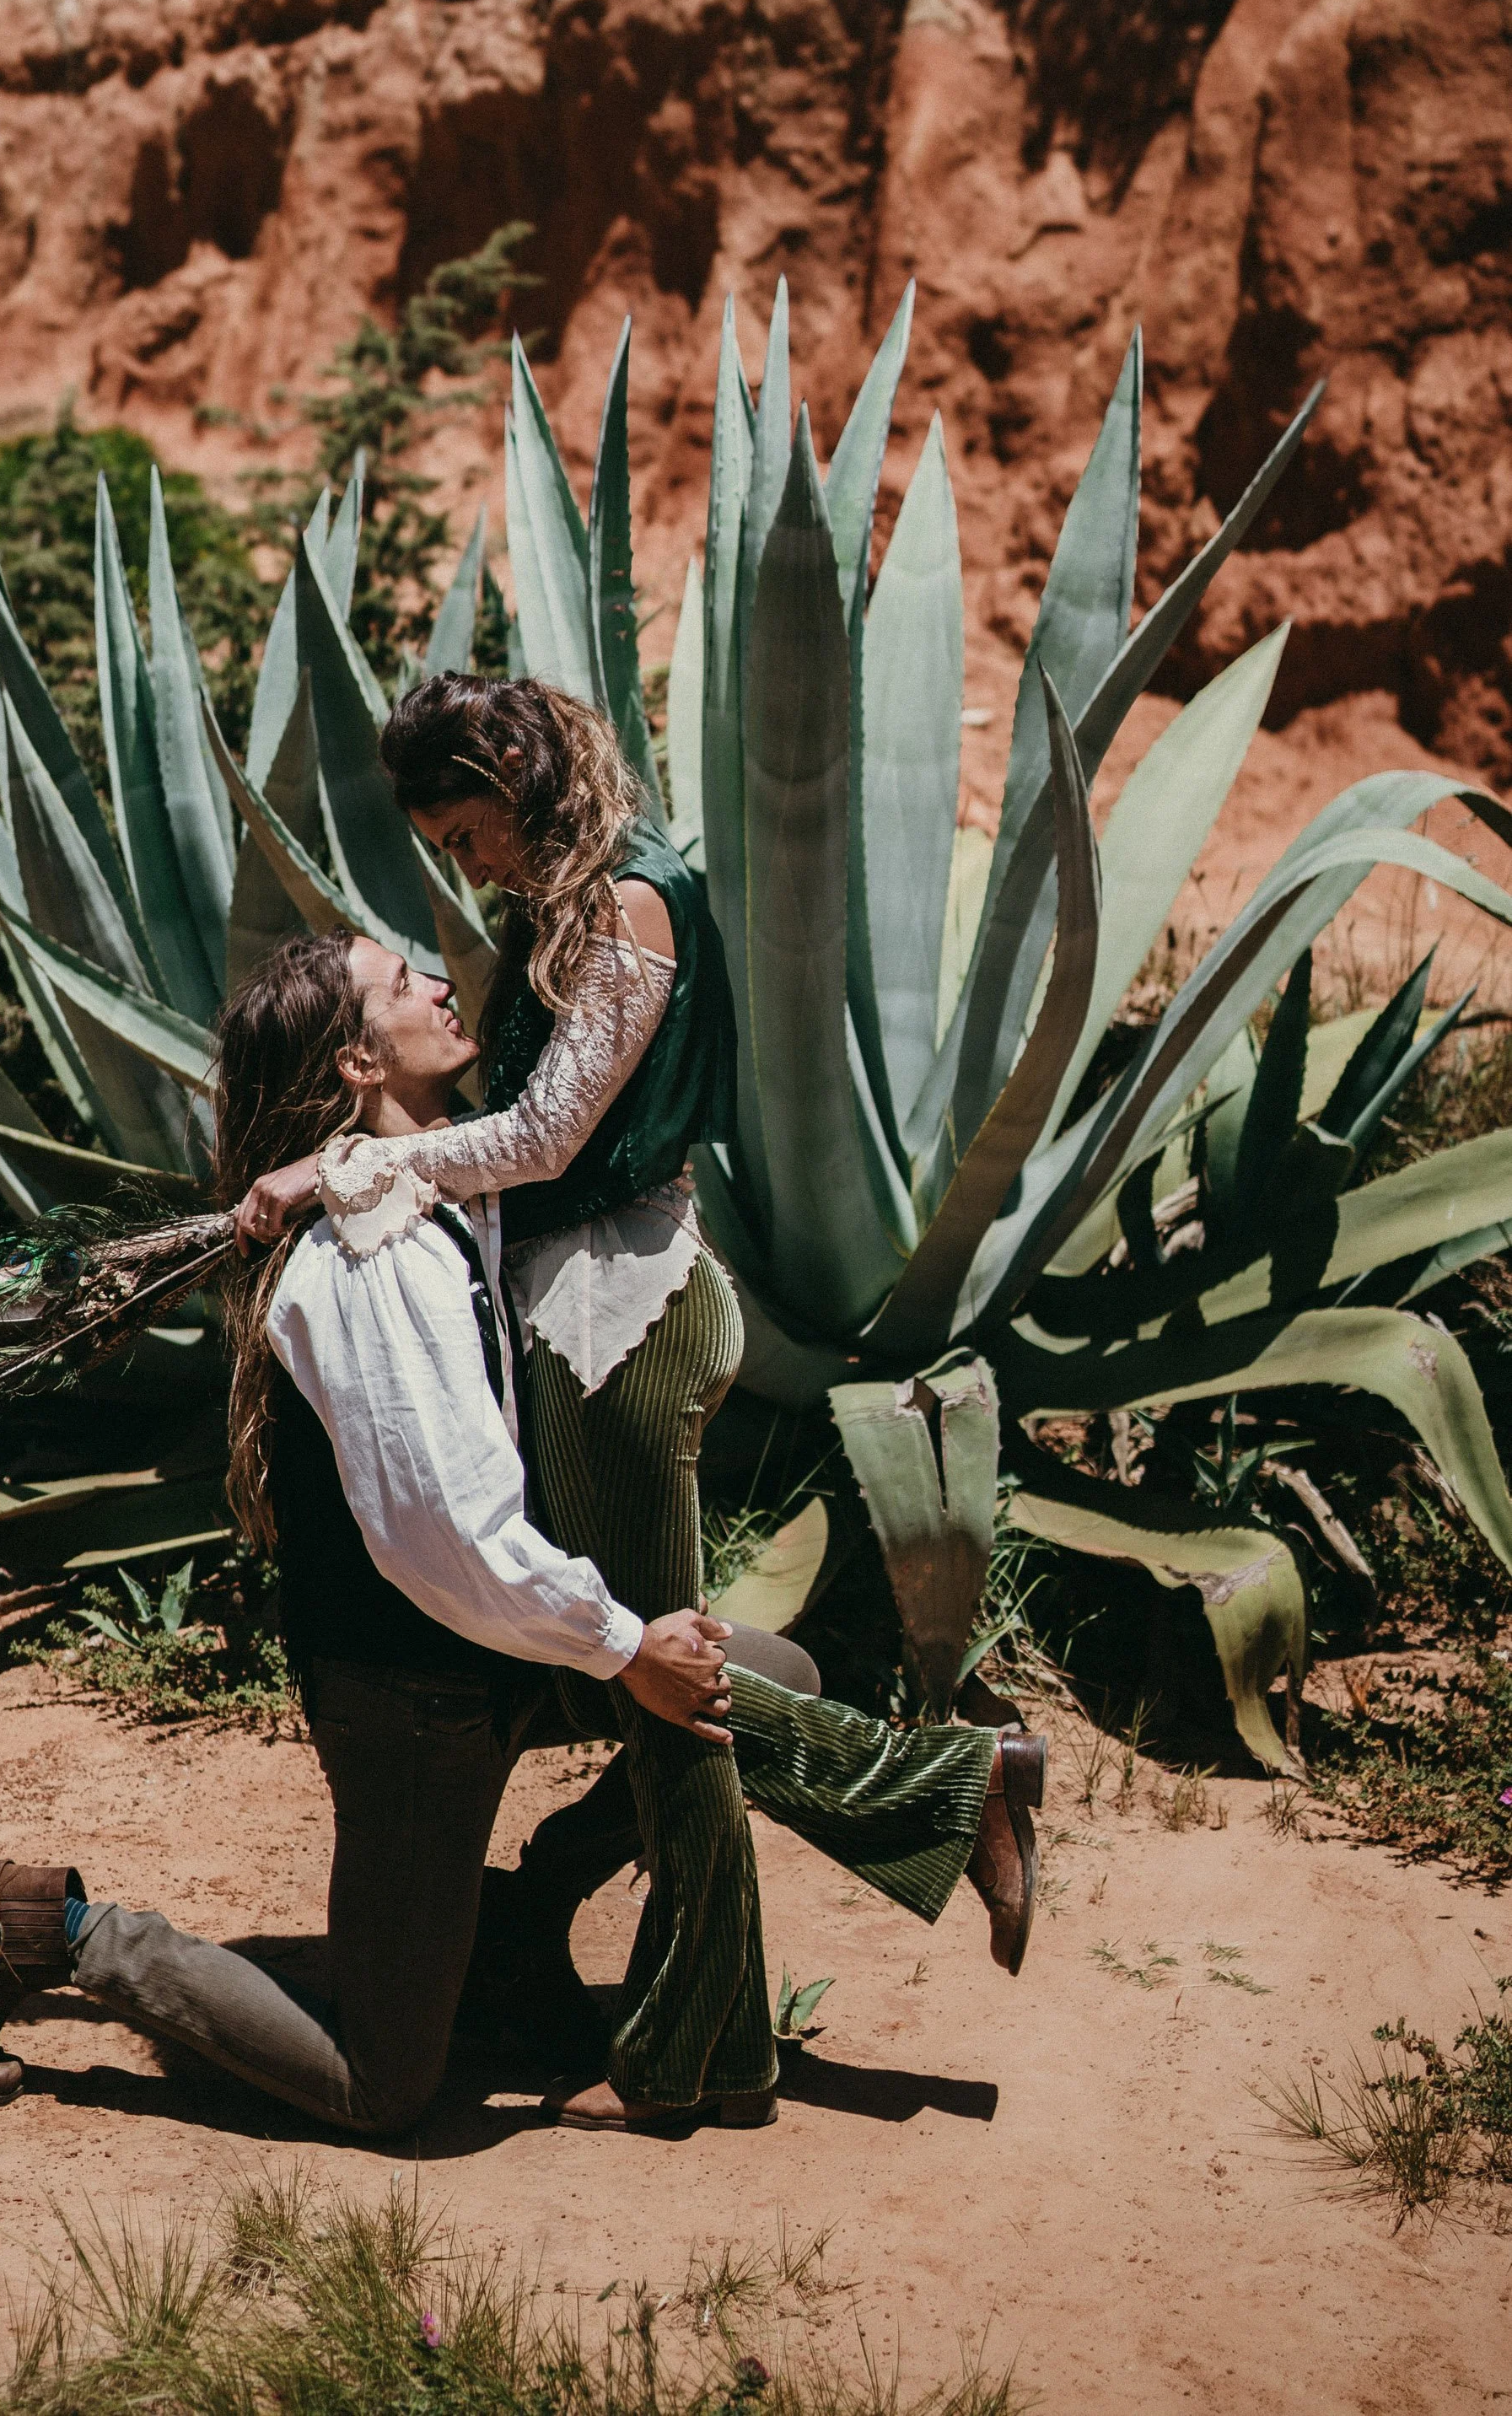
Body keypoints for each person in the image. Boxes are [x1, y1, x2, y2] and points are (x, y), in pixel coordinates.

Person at [233, 677, 1041, 2131]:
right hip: (587, 1305)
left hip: (615, 1314)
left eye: (467, 830)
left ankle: (719, 2035)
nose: (465, 872)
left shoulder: (623, 911)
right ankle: (755, 1965)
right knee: (660, 1671)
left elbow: (546, 1139)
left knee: (667, 1687)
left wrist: (345, 1166)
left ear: (509, 776)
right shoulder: (566, 904)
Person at [0, 928, 756, 2130]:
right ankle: (28, 1923)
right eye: (405, 983)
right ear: (360, 1060)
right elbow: (448, 1531)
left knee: (771, 1683)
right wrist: (624, 1649)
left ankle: (505, 1929)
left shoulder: (426, 1183)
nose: (442, 982)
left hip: (500, 1648)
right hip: (417, 1698)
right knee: (384, 2083)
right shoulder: (372, 1260)